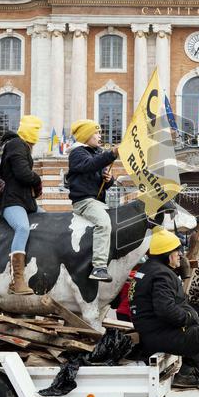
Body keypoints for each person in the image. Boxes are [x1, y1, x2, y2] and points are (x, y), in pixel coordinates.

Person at [131, 229, 199, 392]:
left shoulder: (149, 269)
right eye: (176, 251)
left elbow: (170, 303)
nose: (180, 254)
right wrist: (189, 317)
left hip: (153, 332)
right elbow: (166, 310)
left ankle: (187, 373)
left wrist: (190, 315)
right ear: (167, 254)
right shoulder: (162, 275)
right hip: (162, 335)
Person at [0, 115, 44, 294]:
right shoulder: (17, 144)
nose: (38, 134)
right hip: (10, 201)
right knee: (22, 227)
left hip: (23, 201)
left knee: (46, 218)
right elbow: (23, 173)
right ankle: (17, 281)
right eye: (36, 129)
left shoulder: (20, 146)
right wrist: (37, 179)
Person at [65, 119, 119, 282]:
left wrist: (108, 180)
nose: (99, 136)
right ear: (86, 135)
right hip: (85, 202)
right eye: (96, 133)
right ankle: (99, 267)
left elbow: (98, 174)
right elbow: (89, 165)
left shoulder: (96, 153)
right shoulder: (78, 153)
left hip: (96, 202)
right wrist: (111, 154)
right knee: (104, 223)